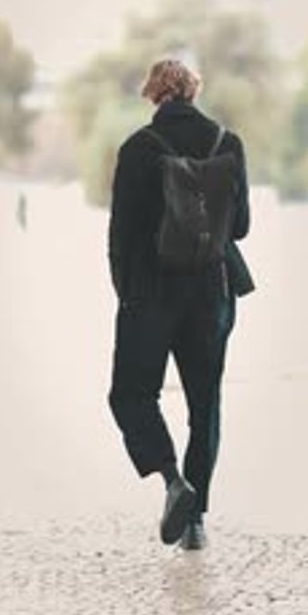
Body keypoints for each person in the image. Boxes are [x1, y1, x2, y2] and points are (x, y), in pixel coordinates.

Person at [107, 58, 254, 549]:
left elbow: (121, 234)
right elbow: (240, 227)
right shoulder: (226, 144)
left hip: (150, 290)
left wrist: (127, 293)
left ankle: (173, 482)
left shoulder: (137, 149)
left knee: (130, 393)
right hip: (211, 291)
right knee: (204, 406)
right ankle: (195, 524)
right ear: (194, 91)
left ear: (153, 93)